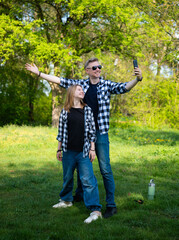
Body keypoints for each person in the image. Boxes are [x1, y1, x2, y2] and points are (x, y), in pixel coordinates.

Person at [25, 57, 143, 218]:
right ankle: (79, 196)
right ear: (87, 70)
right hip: (81, 134)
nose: (97, 69)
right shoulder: (82, 85)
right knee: (82, 166)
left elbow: (124, 87)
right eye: (94, 68)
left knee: (105, 169)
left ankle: (111, 205)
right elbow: (60, 80)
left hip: (100, 134)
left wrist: (137, 78)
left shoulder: (106, 85)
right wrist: (39, 73)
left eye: (99, 67)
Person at [53, 84, 102, 224]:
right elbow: (61, 133)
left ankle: (95, 210)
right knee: (67, 177)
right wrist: (59, 149)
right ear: (72, 92)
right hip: (68, 151)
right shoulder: (65, 110)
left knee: (88, 180)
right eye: (79, 89)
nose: (82, 91)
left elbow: (92, 132)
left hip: (84, 152)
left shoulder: (87, 110)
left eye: (82, 90)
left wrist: (92, 149)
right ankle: (67, 200)